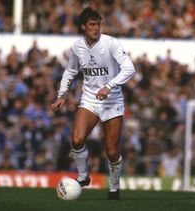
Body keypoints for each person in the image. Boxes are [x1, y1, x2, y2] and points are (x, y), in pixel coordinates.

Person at [51, 7, 135, 200]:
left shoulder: (111, 43)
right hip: (89, 99)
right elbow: (70, 71)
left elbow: (130, 69)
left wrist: (109, 86)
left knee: (112, 151)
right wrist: (62, 94)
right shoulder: (77, 47)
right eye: (92, 25)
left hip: (112, 101)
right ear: (83, 26)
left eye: (98, 24)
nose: (96, 28)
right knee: (77, 139)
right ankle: (83, 176)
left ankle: (114, 187)